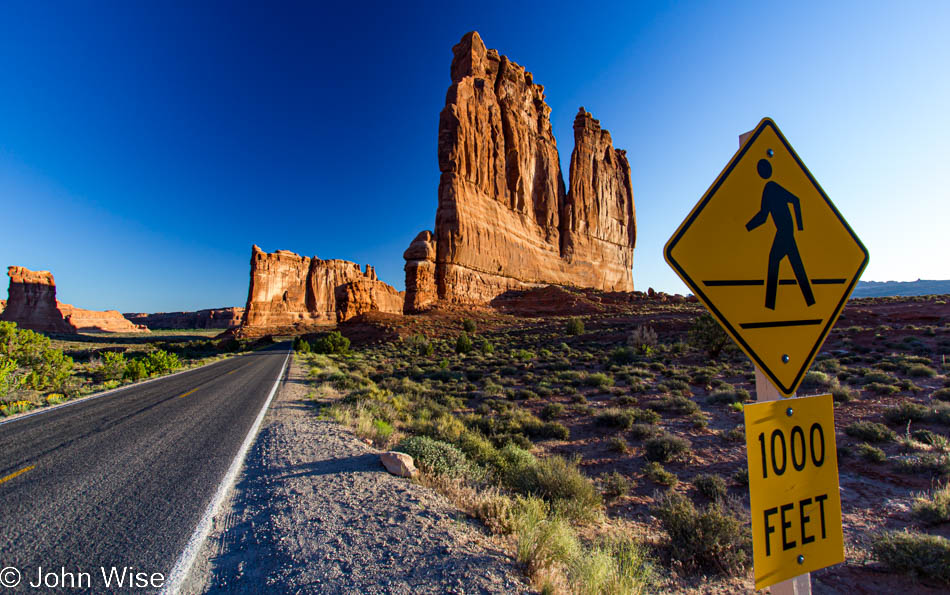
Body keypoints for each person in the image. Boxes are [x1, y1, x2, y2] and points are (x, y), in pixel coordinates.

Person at [745, 157, 815, 310]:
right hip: (784, 231)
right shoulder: (768, 189)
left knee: (774, 261)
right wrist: (747, 228)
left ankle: (769, 305)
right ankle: (810, 301)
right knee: (796, 266)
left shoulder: (772, 187)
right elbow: (763, 216)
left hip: (785, 231)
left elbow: (796, 200)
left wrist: (800, 226)